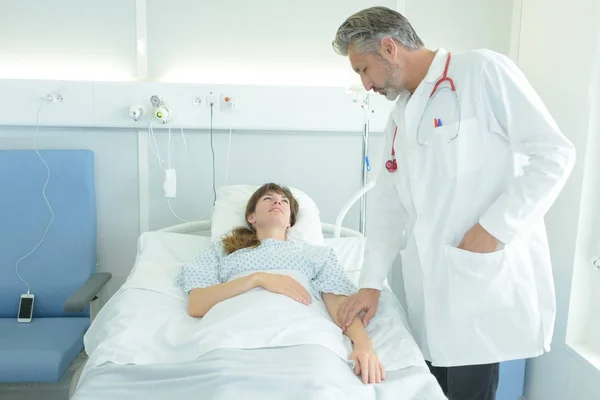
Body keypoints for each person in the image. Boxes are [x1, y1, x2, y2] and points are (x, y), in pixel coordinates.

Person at [331, 6, 576, 400]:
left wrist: (493, 229)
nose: (365, 84)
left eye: (363, 69)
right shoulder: (400, 116)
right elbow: (386, 207)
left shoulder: (480, 72)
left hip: (478, 280)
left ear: (390, 48)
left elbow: (554, 154)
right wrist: (371, 284)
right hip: (434, 295)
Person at [174, 183, 385, 384]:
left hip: (304, 335)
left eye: (284, 201)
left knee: (318, 383)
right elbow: (197, 304)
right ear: (251, 217)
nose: (277, 202)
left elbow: (339, 304)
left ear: (290, 222)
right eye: (268, 198)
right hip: (234, 334)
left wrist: (364, 345)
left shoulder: (316, 255)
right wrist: (259, 278)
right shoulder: (224, 251)